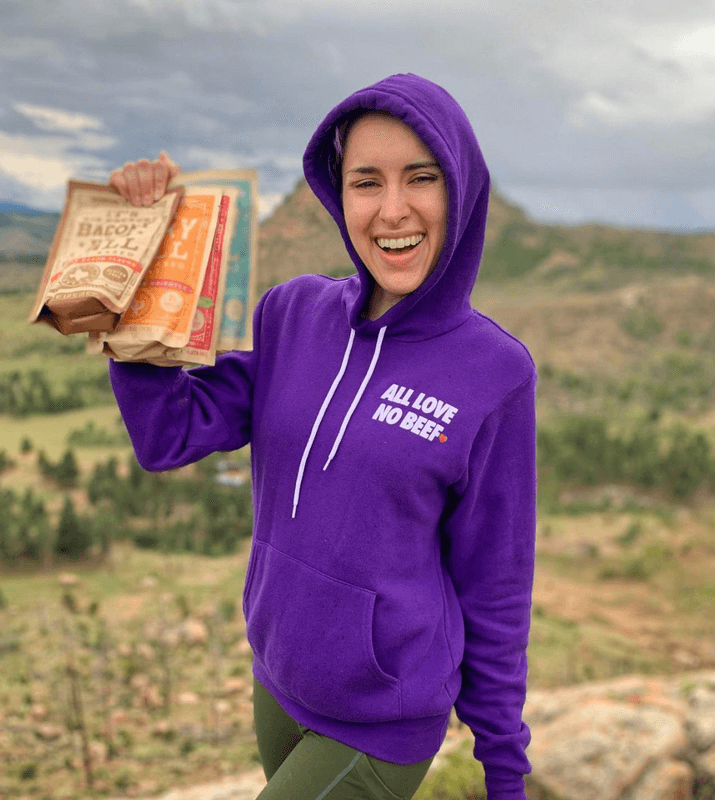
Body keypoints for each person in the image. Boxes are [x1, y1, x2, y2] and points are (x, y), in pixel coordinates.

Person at [108, 73, 537, 800]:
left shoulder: (495, 372)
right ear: (340, 197)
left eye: (420, 178)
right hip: (277, 682)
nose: (393, 209)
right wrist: (136, 285)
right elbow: (168, 434)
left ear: (458, 189)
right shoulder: (291, 313)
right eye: (366, 181)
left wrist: (504, 770)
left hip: (381, 716)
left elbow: (496, 580)